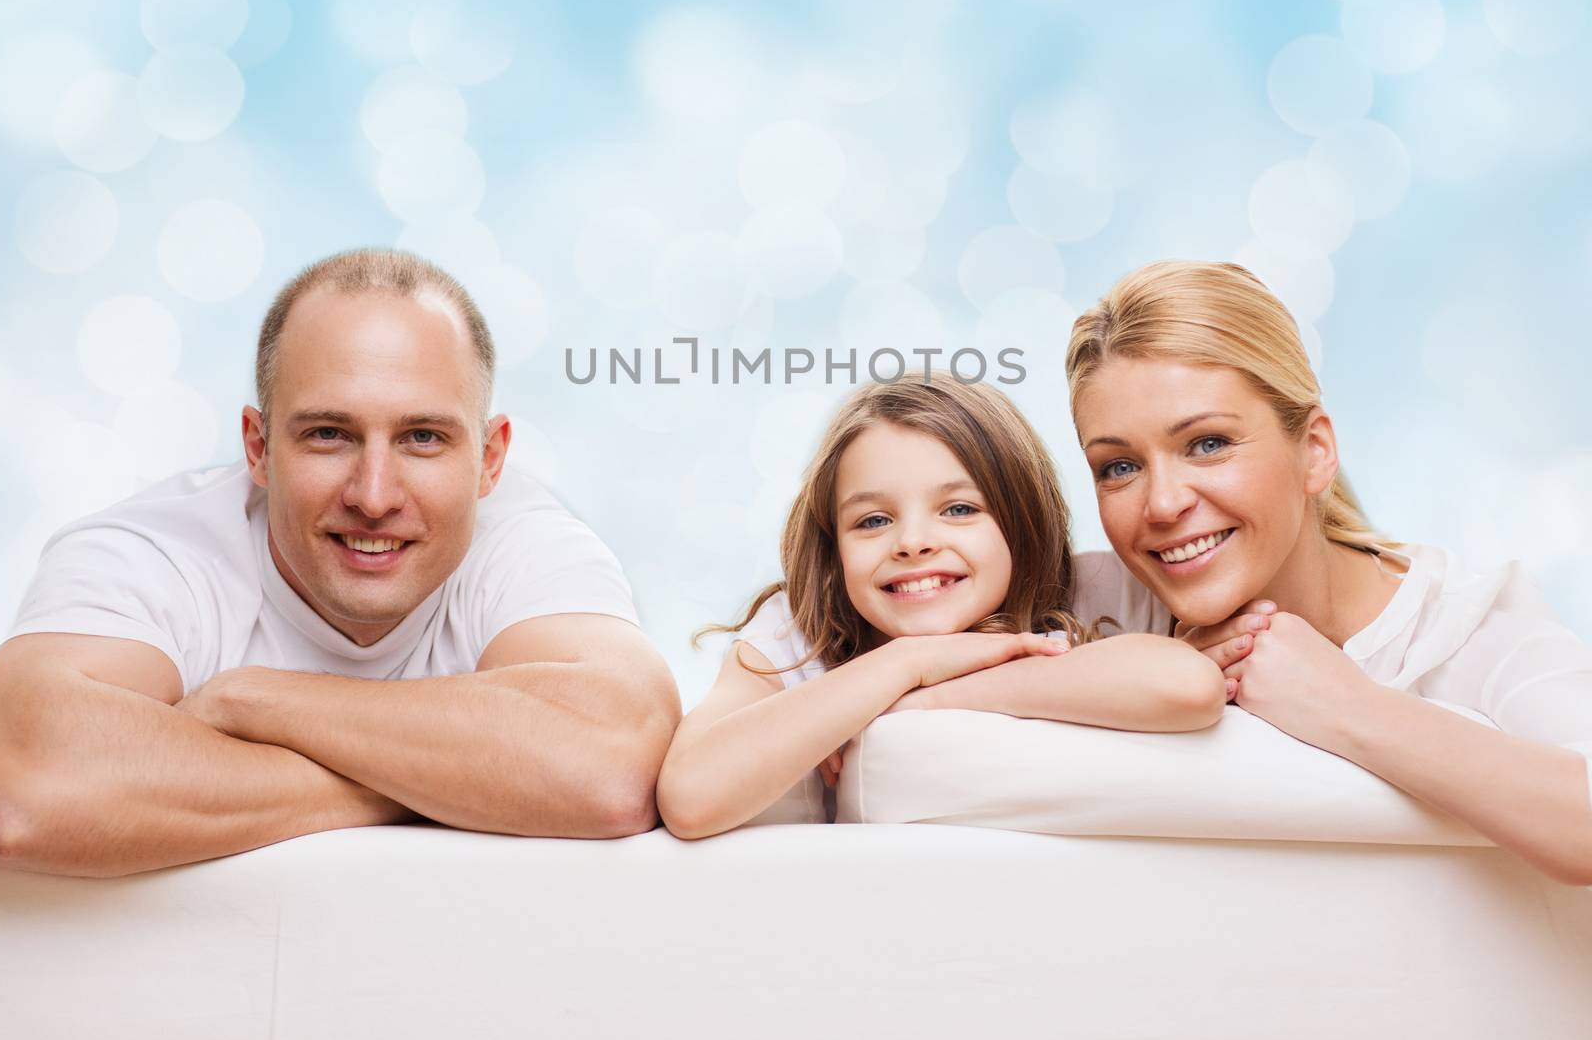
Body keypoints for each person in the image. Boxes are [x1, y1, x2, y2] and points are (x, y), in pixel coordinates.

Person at [0, 249, 679, 877]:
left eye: (422, 437)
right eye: (328, 434)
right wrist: (460, 783)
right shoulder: (152, 554)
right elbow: (24, 790)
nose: (373, 495)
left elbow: (615, 769)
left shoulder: (529, 547)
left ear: (490, 459)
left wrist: (253, 701)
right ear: (257, 448)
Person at [1066, 258, 1592, 885]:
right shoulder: (1096, 605)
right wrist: (1151, 677)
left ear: (1314, 451)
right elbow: (921, 660)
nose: (1162, 503)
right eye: (1118, 467)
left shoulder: (1466, 629)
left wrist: (1346, 706)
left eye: (1207, 444)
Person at [657, 375, 1224, 840]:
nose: (912, 542)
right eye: (873, 521)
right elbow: (689, 795)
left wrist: (925, 698)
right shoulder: (799, 631)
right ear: (835, 548)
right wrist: (902, 664)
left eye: (957, 509)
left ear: (1021, 520)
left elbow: (1188, 685)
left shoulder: (1096, 589)